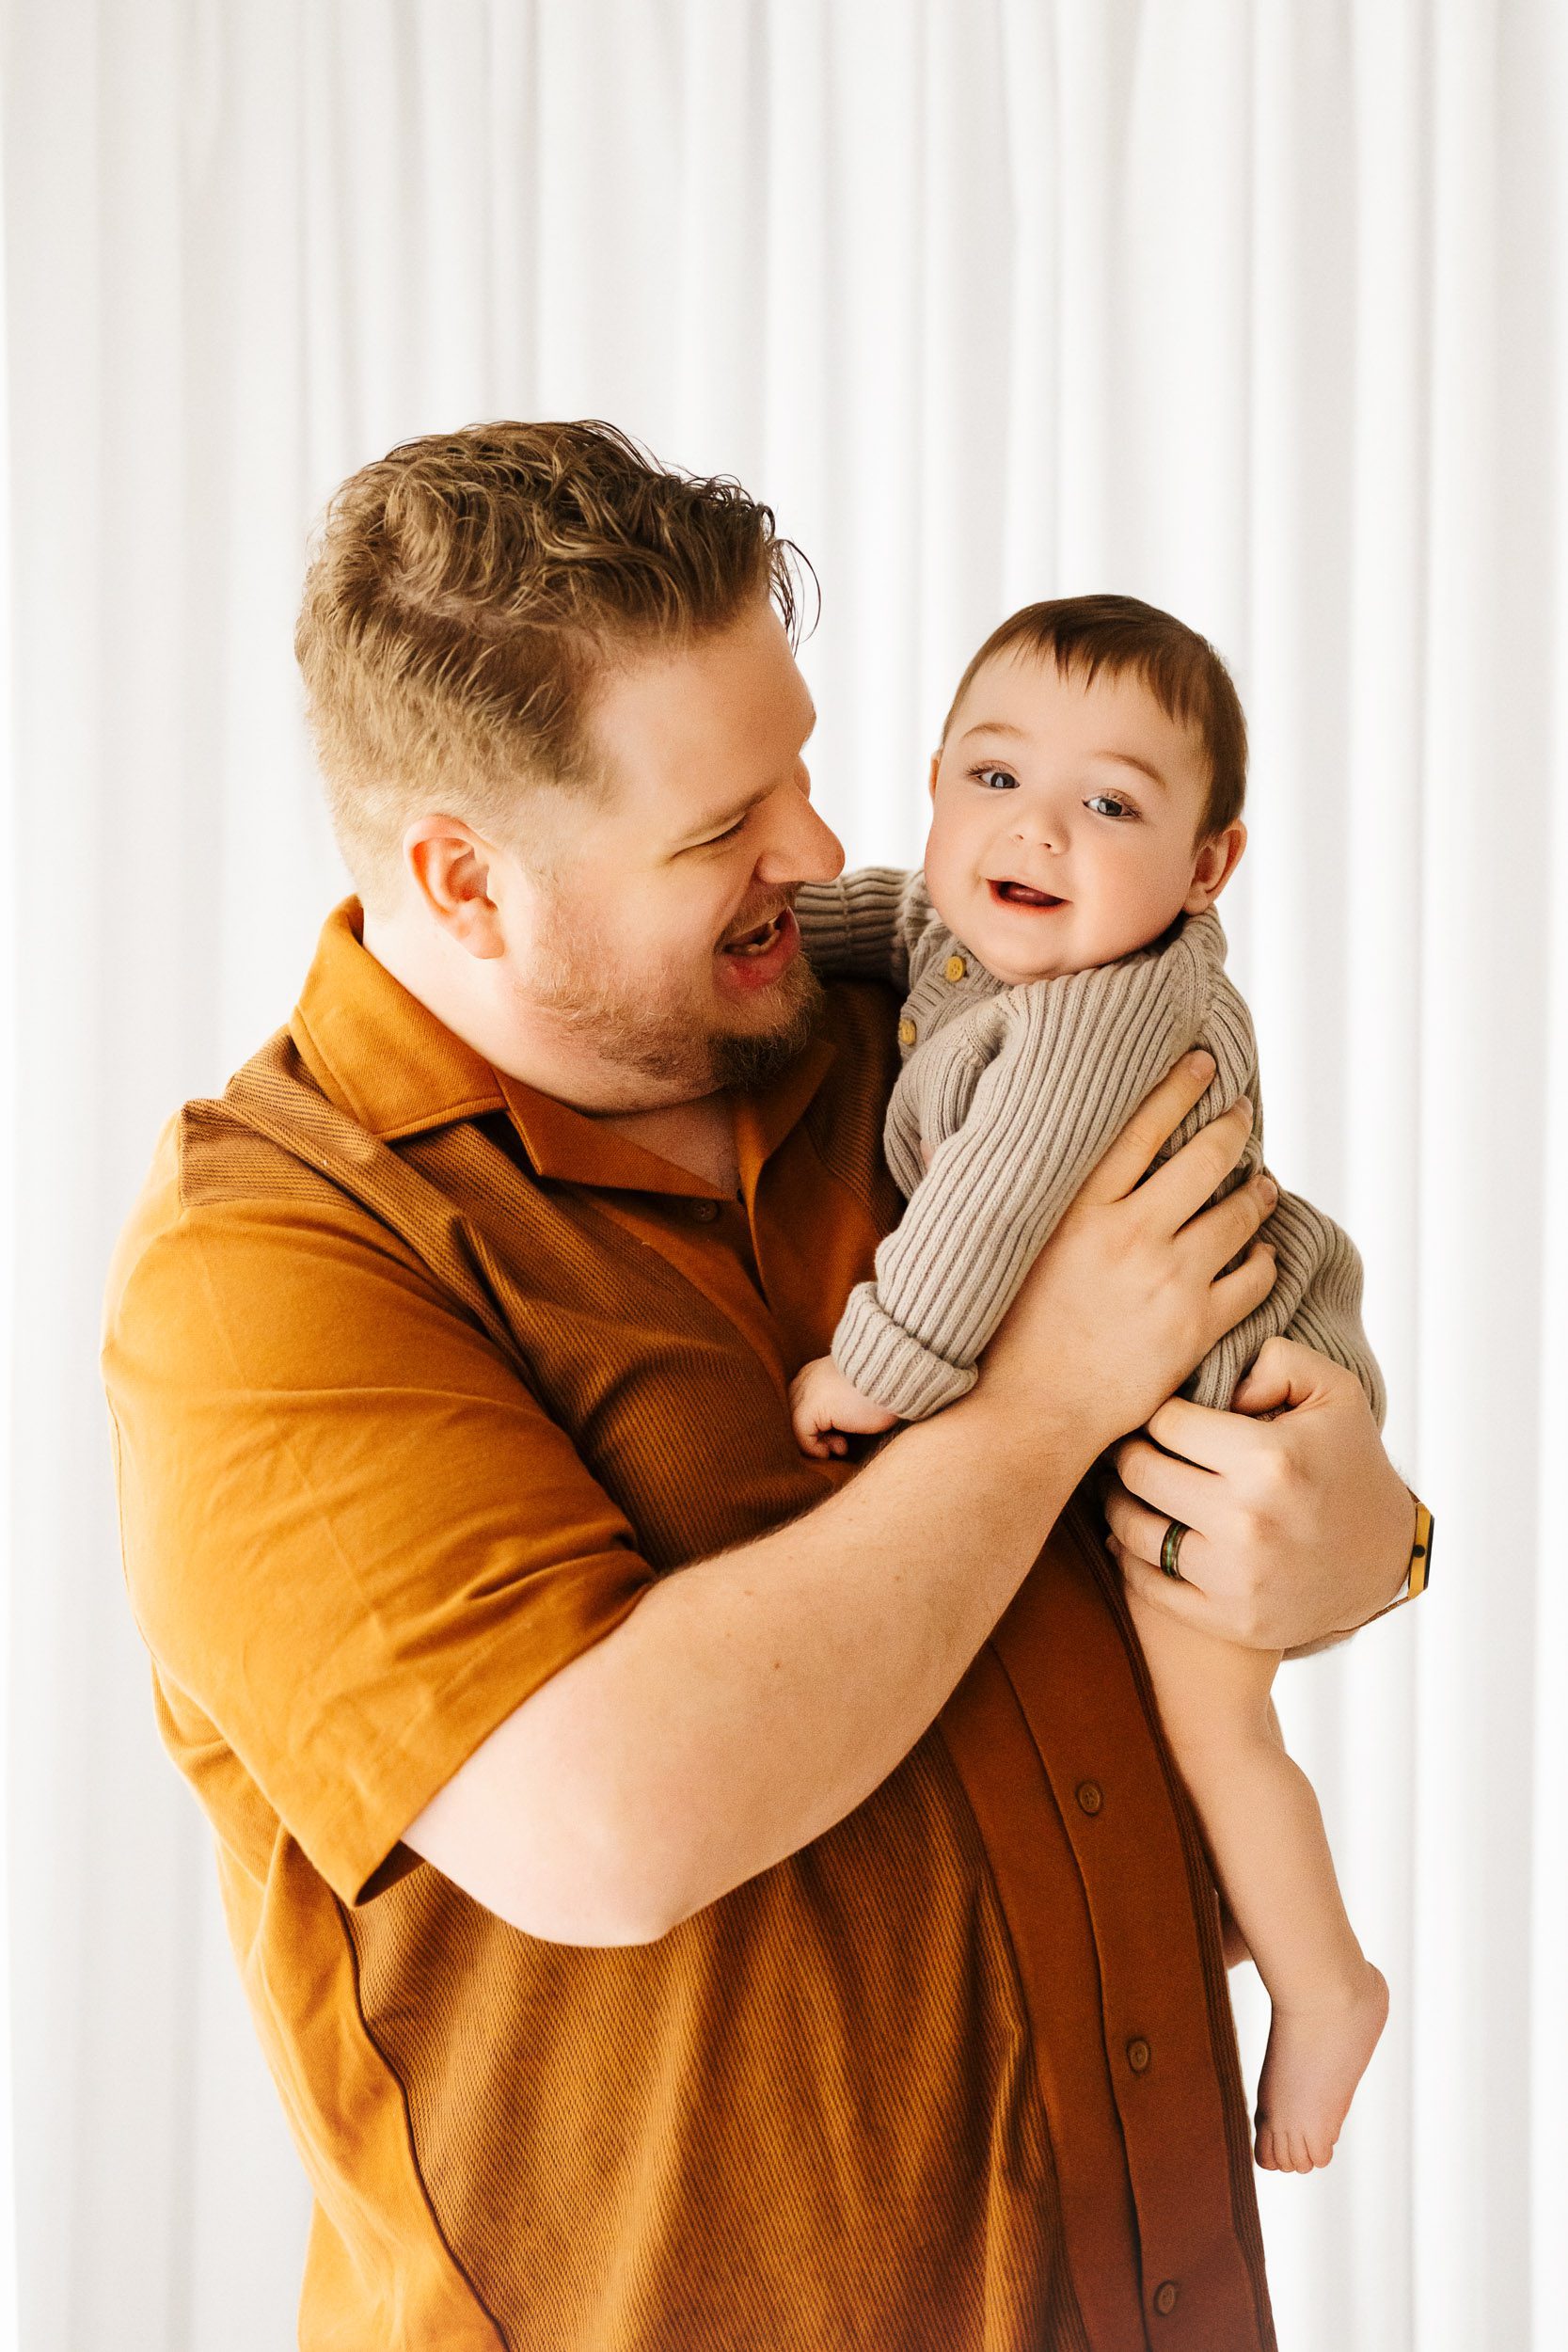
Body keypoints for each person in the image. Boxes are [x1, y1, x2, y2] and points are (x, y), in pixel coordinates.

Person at [102, 421, 1426, 2352]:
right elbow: (605, 1818)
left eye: (801, 766)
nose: (813, 850)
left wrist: (1368, 1537)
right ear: (464, 879)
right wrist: (1042, 1403)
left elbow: (1262, 1344)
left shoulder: (910, 1023)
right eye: (724, 822)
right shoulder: (269, 1266)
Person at [789, 594, 1414, 2175]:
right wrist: (769, 929)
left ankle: (1328, 1984)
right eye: (992, 778)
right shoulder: (978, 924)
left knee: (1214, 1719)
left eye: (1112, 805)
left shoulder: (1103, 1009)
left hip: (1234, 1392)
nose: (1039, 830)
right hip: (1183, 1363)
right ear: (935, 782)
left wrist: (875, 1371)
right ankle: (1237, 1914)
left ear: (1209, 868)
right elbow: (879, 920)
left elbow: (990, 1209)